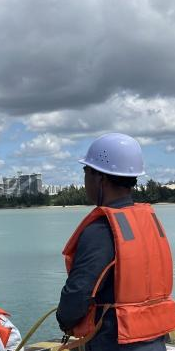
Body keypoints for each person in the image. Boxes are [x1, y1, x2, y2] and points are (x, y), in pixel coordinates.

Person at [57, 133, 175, 351]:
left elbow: (76, 295)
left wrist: (65, 321)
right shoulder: (149, 222)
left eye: (86, 171)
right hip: (154, 342)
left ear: (100, 178)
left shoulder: (101, 230)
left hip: (114, 343)